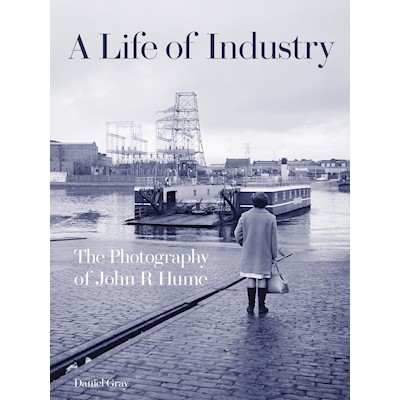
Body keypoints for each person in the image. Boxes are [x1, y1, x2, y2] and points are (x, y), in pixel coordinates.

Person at [234, 192, 278, 314]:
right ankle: (262, 306)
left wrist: (244, 243)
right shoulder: (271, 218)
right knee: (262, 278)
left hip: (249, 252)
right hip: (264, 253)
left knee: (251, 278)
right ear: (265, 203)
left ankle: (250, 306)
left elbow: (237, 234)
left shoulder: (245, 216)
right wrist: (274, 256)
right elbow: (274, 240)